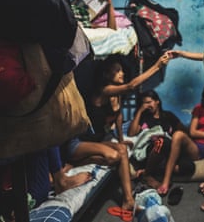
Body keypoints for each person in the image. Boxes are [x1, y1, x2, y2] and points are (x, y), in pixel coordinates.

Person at [62, 52, 171, 216]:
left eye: (122, 70)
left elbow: (118, 117)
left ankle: (128, 200)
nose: (122, 74)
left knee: (118, 153)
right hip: (78, 143)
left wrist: (121, 139)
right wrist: (157, 66)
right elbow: (131, 86)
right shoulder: (103, 90)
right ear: (106, 74)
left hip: (95, 142)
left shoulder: (116, 96)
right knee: (116, 154)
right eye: (117, 70)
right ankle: (73, 162)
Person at [127, 89, 191, 189]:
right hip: (152, 150)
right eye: (143, 104)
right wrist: (139, 111)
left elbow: (184, 131)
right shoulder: (144, 118)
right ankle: (147, 175)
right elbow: (131, 133)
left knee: (189, 166)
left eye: (149, 102)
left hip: (169, 153)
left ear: (157, 102)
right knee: (161, 142)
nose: (147, 106)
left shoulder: (167, 116)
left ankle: (153, 170)